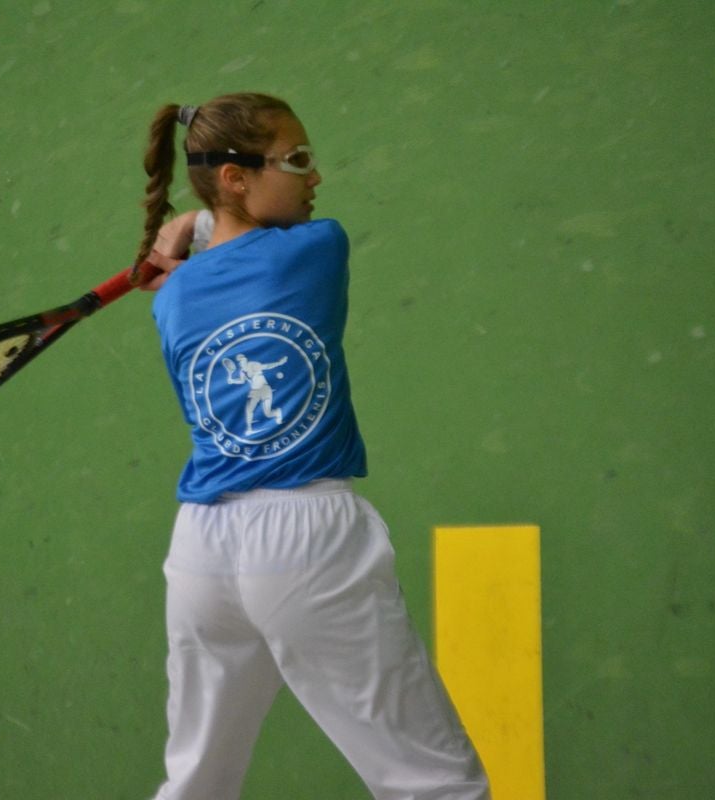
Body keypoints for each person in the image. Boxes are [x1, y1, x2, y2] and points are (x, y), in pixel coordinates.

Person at [137, 92, 490, 800]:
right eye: (296, 161)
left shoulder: (169, 298)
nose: (315, 175)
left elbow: (222, 241)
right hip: (304, 540)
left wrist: (187, 229)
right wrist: (191, 225)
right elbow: (238, 238)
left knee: (196, 786)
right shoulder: (317, 249)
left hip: (201, 553)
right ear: (235, 177)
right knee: (436, 784)